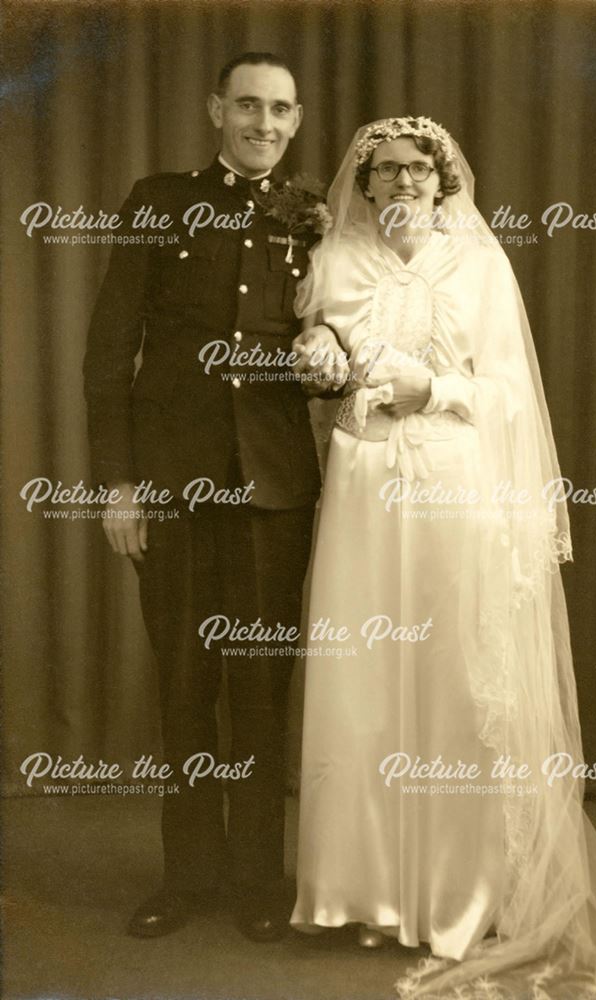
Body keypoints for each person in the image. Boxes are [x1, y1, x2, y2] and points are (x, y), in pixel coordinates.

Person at [290, 117, 596, 997]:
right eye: (385, 170)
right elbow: (319, 367)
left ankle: (460, 895)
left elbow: (511, 397)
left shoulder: (479, 265)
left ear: (444, 183)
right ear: (361, 184)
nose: (402, 182)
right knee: (364, 684)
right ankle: (361, 896)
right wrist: (320, 354)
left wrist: (431, 387)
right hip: (364, 488)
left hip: (453, 486)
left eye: (419, 169)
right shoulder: (330, 258)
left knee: (449, 679)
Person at [83, 52, 340, 943]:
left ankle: (257, 885)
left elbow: (334, 340)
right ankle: (186, 877)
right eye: (246, 106)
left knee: (263, 686)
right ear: (214, 110)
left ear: (297, 120)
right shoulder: (158, 201)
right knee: (187, 683)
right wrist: (119, 483)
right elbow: (110, 349)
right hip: (176, 485)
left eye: (278, 110)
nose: (262, 124)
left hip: (274, 489)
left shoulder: (317, 219)